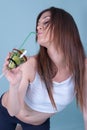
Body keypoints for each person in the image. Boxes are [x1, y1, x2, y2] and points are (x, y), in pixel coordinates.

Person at [0, 6, 87, 130]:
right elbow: (13, 111)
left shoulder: (83, 67)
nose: (38, 27)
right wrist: (14, 84)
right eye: (38, 24)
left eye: (46, 22)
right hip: (6, 111)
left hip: (37, 123)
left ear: (65, 28)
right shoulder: (31, 64)